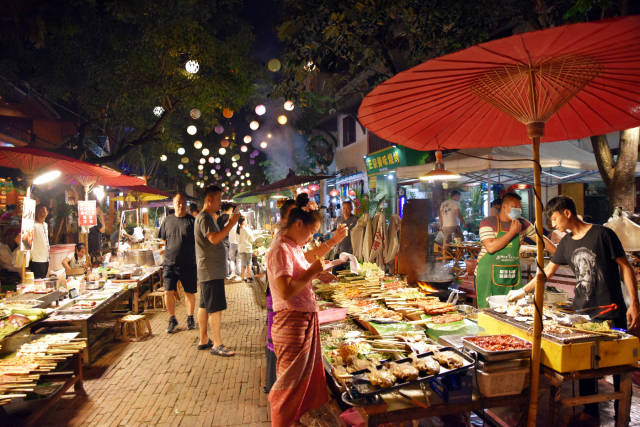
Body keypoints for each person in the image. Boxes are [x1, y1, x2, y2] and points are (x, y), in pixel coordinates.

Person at [509, 195, 639, 421]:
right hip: (583, 313)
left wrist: (634, 304)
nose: (553, 224)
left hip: (612, 310)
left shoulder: (603, 234)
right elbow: (546, 273)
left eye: (555, 218)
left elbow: (625, 268)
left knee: (618, 364)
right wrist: (523, 291)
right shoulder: (567, 243)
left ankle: (622, 413)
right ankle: (590, 411)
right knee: (585, 364)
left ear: (567, 213)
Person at [266, 202, 346, 427]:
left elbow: (301, 273)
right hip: (291, 324)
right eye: (311, 231)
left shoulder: (292, 245)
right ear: (298, 223)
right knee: (288, 390)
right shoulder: (280, 248)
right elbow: (285, 290)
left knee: (299, 387)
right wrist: (313, 272)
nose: (312, 237)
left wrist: (317, 275)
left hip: (302, 321)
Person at [475, 192, 555, 308]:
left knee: (512, 310)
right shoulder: (488, 222)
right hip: (488, 276)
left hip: (510, 274)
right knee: (488, 311)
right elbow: (491, 247)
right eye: (515, 207)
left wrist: (559, 254)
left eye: (520, 207)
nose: (518, 210)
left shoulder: (523, 223)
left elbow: (541, 240)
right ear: (504, 207)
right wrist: (512, 232)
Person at [195, 186, 239, 356]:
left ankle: (204, 339)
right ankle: (217, 345)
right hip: (210, 270)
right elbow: (214, 239)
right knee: (215, 308)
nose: (221, 203)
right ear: (209, 200)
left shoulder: (208, 217)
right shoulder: (205, 217)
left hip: (209, 269)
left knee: (205, 306)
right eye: (219, 199)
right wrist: (231, 224)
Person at [158, 192, 198, 333]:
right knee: (168, 292)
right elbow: (163, 241)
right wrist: (162, 251)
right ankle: (172, 318)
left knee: (189, 293)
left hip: (188, 264)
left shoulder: (192, 221)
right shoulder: (167, 221)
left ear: (186, 205)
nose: (180, 205)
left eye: (183, 203)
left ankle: (190, 317)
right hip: (169, 263)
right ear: (173, 204)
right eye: (177, 202)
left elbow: (199, 242)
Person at [30, 204, 50, 279]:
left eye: (44, 211)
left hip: (46, 257)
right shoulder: (33, 225)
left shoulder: (45, 225)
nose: (42, 213)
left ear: (47, 213)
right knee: (38, 280)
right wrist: (30, 253)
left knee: (43, 279)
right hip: (36, 258)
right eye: (40, 211)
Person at [217, 202, 235, 279]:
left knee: (224, 257)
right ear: (230, 209)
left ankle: (225, 272)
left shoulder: (219, 218)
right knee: (229, 258)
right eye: (232, 209)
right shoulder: (230, 218)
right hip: (230, 239)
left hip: (221, 239)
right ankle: (229, 273)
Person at [236, 217, 255, 282]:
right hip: (248, 248)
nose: (246, 221)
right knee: (249, 263)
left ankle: (243, 277)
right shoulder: (247, 230)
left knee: (243, 263)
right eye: (246, 220)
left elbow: (237, 240)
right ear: (243, 222)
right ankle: (249, 277)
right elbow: (252, 239)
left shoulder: (237, 230)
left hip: (241, 249)